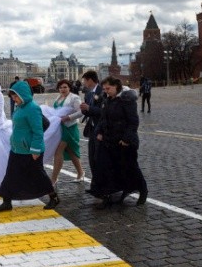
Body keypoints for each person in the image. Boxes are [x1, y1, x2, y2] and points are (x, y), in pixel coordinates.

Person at [0, 80, 59, 212]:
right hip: (17, 149)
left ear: (23, 94)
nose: (13, 99)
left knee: (38, 175)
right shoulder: (20, 107)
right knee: (10, 175)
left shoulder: (32, 108)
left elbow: (38, 130)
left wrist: (35, 149)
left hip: (30, 151)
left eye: (15, 96)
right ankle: (7, 202)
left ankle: (53, 197)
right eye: (12, 96)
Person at [92, 76, 148, 208]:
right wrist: (99, 132)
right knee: (111, 168)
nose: (106, 91)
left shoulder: (126, 100)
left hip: (125, 142)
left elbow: (133, 121)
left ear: (117, 86)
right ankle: (110, 194)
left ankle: (143, 190)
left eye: (108, 88)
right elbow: (103, 119)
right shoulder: (107, 100)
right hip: (110, 141)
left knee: (131, 168)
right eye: (104, 89)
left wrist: (126, 139)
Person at [47, 79, 84, 186]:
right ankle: (81, 172)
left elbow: (81, 112)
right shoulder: (58, 98)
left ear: (69, 88)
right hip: (59, 128)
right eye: (60, 87)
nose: (62, 89)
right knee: (71, 152)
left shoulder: (74, 98)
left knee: (58, 151)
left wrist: (68, 117)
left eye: (65, 87)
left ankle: (53, 179)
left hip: (69, 128)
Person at [80, 70, 103, 184]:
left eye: (84, 80)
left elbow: (104, 111)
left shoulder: (102, 91)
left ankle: (100, 184)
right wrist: (84, 109)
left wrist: (89, 108)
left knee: (99, 158)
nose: (84, 83)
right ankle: (96, 183)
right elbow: (88, 111)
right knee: (91, 157)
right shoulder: (88, 93)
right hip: (92, 129)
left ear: (90, 80)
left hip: (101, 130)